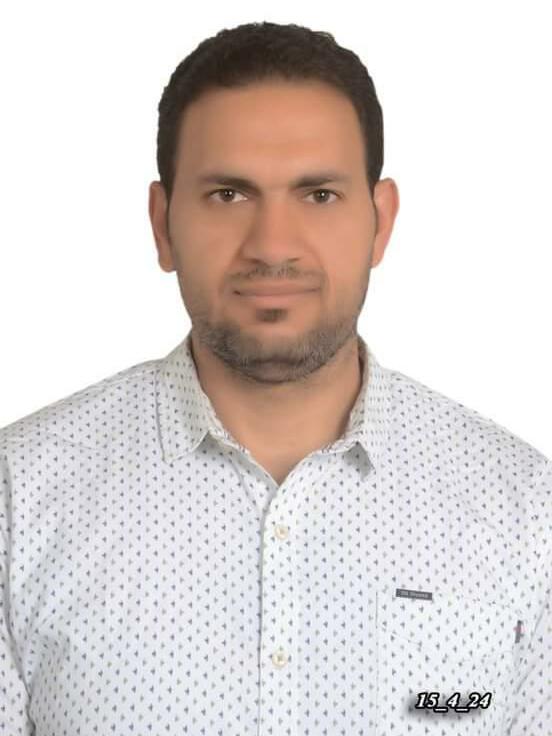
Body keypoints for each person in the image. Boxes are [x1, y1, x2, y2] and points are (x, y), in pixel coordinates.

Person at [1, 20, 549, 736]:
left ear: (380, 222)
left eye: (318, 195)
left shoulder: (526, 511)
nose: (273, 247)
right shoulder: (18, 498)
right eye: (229, 194)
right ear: (163, 225)